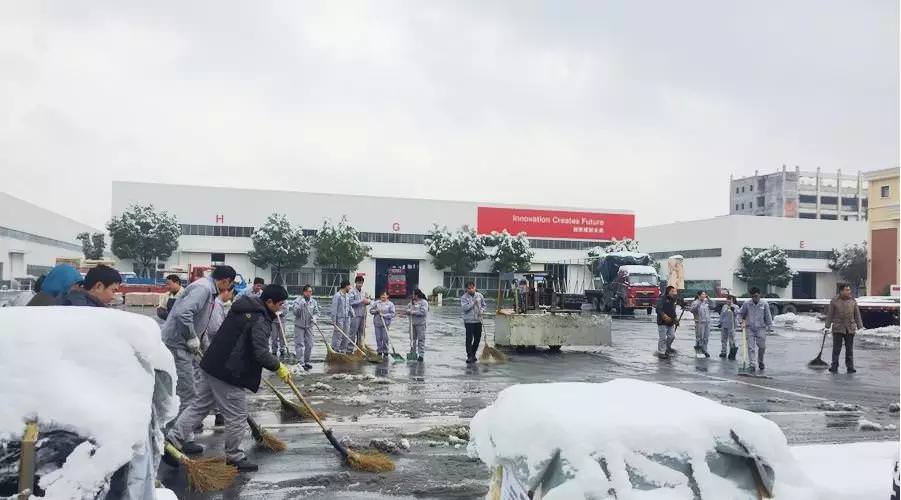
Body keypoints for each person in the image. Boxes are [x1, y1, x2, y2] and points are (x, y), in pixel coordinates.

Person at [167, 285, 293, 472]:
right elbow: (260, 352)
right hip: (230, 372)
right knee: (237, 416)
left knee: (199, 406)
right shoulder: (259, 318)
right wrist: (278, 366)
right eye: (280, 304)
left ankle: (172, 440)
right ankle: (235, 456)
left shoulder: (244, 308)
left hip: (212, 364)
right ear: (269, 302)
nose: (281, 308)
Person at [161, 265, 236, 418]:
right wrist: (190, 336)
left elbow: (202, 323)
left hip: (183, 344)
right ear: (226, 281)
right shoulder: (203, 289)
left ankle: (183, 426)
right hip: (177, 344)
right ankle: (181, 430)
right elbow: (183, 313)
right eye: (231, 284)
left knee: (190, 388)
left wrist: (205, 348)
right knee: (187, 391)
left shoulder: (209, 290)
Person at [825, 284, 863, 374]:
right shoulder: (834, 301)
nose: (849, 291)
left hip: (850, 328)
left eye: (849, 290)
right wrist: (827, 326)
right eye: (847, 290)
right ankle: (834, 366)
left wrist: (860, 326)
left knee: (849, 350)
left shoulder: (853, 300)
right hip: (838, 328)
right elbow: (830, 314)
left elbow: (857, 314)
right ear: (841, 291)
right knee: (836, 349)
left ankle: (850, 367)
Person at [738, 287, 773, 372]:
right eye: (753, 296)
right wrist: (741, 322)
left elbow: (767, 315)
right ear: (751, 296)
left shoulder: (764, 304)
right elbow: (740, 314)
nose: (755, 298)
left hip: (761, 328)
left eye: (757, 296)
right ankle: (752, 364)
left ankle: (760, 361)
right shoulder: (747, 303)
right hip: (749, 328)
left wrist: (769, 326)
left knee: (762, 347)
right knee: (751, 347)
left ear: (760, 295)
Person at [292, 284, 320, 370]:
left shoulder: (313, 301)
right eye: (308, 292)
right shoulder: (297, 301)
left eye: (311, 292)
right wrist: (301, 305)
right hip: (299, 326)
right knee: (299, 344)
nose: (309, 293)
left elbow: (317, 312)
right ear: (304, 292)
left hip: (309, 326)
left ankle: (307, 361)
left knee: (310, 344)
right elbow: (295, 313)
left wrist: (315, 317)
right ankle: (301, 362)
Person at [460, 281, 487, 364]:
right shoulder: (464, 297)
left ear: (475, 287)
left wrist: (482, 310)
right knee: (469, 339)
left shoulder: (480, 295)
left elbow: (484, 305)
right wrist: (473, 302)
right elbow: (465, 308)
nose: (471, 289)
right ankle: (469, 356)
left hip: (478, 320)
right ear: (466, 289)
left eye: (472, 288)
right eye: (469, 288)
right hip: (469, 321)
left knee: (477, 338)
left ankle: (473, 354)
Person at [370, 291, 396, 358]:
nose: (382, 296)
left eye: (384, 295)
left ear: (387, 296)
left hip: (386, 324)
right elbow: (371, 311)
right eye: (381, 295)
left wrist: (384, 315)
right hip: (377, 323)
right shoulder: (376, 303)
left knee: (385, 338)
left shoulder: (390, 304)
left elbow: (393, 314)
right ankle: (379, 351)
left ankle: (385, 351)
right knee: (378, 338)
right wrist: (376, 311)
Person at [330, 280, 355, 352]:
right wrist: (334, 320)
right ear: (346, 286)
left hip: (347, 318)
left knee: (346, 335)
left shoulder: (347, 296)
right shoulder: (337, 296)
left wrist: (353, 314)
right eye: (349, 286)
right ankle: (335, 350)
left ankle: (343, 350)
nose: (350, 288)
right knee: (338, 335)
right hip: (339, 319)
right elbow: (334, 309)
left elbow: (349, 306)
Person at [655, 286, 679, 357]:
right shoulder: (662, 299)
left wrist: (676, 319)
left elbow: (673, 311)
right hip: (662, 322)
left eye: (674, 291)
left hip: (671, 322)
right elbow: (658, 309)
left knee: (672, 336)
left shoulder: (672, 300)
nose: (674, 293)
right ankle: (661, 352)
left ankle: (667, 348)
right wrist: (664, 316)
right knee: (663, 338)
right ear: (668, 292)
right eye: (672, 291)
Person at [407, 288, 429, 361]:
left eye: (414, 294)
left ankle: (421, 355)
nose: (412, 296)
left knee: (421, 339)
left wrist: (413, 312)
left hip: (421, 324)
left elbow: (423, 312)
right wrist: (408, 311)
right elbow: (408, 309)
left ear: (417, 295)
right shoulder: (412, 302)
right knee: (412, 339)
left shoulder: (424, 302)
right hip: (412, 324)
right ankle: (413, 353)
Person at [349, 275, 371, 347]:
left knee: (362, 332)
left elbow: (368, 300)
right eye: (358, 283)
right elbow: (350, 303)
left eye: (361, 283)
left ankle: (360, 347)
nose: (360, 284)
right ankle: (350, 348)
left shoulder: (364, 292)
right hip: (355, 315)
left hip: (363, 314)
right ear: (355, 282)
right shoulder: (352, 292)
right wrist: (361, 300)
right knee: (353, 332)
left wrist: (368, 301)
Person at [689, 291, 712, 357]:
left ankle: (705, 350)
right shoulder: (695, 302)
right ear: (699, 295)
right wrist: (698, 304)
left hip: (707, 322)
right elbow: (692, 310)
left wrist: (709, 299)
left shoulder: (706, 302)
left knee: (706, 337)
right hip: (699, 322)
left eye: (705, 294)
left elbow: (713, 305)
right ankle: (699, 350)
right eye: (702, 294)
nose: (704, 295)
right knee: (699, 337)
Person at [719, 295, 739, 360]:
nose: (728, 300)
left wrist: (733, 310)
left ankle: (732, 352)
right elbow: (722, 315)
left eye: (730, 299)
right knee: (723, 339)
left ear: (732, 300)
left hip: (732, 325)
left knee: (732, 340)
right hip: (724, 324)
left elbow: (737, 314)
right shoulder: (724, 306)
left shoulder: (736, 306)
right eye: (727, 299)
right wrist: (720, 322)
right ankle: (723, 352)